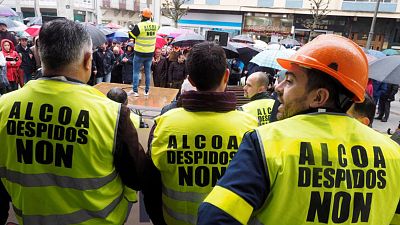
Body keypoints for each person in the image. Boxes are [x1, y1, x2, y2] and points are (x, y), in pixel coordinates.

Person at [197, 35, 400, 225]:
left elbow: (214, 217)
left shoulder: (266, 142)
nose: (279, 87)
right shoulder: (393, 154)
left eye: (291, 81)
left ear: (319, 97)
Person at [0, 19, 150, 224]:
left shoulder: (3, 107)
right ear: (88, 60)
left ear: (39, 54)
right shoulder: (112, 114)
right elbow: (138, 177)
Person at [144, 42, 258, 225]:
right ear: (226, 76)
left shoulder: (163, 124)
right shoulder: (251, 127)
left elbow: (150, 187)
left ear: (191, 80)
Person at [128, 8, 159, 97]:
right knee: (148, 72)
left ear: (142, 16)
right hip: (149, 53)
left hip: (139, 53)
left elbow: (131, 35)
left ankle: (135, 91)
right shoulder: (156, 25)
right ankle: (146, 91)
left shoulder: (139, 26)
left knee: (136, 72)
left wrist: (130, 31)